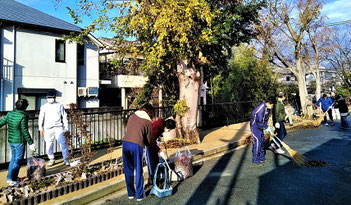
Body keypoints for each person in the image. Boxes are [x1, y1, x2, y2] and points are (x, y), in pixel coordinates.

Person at [122, 103, 154, 201]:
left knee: (128, 169)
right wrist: (149, 146)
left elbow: (130, 130)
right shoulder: (148, 121)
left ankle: (130, 194)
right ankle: (139, 195)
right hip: (136, 145)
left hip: (125, 143)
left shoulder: (132, 116)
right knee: (139, 169)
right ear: (149, 112)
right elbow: (149, 140)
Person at [0, 99, 36, 186]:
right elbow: (24, 131)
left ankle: (10, 177)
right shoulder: (23, 116)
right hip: (19, 141)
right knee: (18, 160)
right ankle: (12, 179)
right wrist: (31, 143)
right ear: (25, 107)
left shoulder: (10, 113)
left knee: (13, 158)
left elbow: (1, 122)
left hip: (11, 141)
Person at [38, 90, 70, 166]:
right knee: (49, 144)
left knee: (63, 143)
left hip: (59, 127)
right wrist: (40, 128)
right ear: (46, 98)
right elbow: (41, 118)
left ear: (55, 97)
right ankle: (51, 159)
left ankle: (66, 159)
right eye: (49, 97)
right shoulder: (43, 107)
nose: (50, 98)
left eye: (51, 97)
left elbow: (64, 116)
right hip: (48, 128)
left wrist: (66, 128)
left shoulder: (60, 105)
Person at [146, 117, 176, 185]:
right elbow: (151, 141)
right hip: (147, 142)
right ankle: (152, 179)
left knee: (156, 160)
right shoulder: (158, 127)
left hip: (150, 141)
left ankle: (156, 178)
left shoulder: (160, 124)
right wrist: (160, 151)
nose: (169, 131)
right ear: (167, 127)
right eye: (170, 129)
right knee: (151, 161)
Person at [250, 96, 275, 164]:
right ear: (269, 103)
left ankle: (262, 158)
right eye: (272, 105)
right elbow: (259, 122)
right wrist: (266, 128)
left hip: (261, 126)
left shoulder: (267, 108)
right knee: (257, 142)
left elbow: (266, 119)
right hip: (255, 127)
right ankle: (255, 160)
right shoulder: (260, 109)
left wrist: (267, 126)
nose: (272, 106)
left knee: (262, 141)